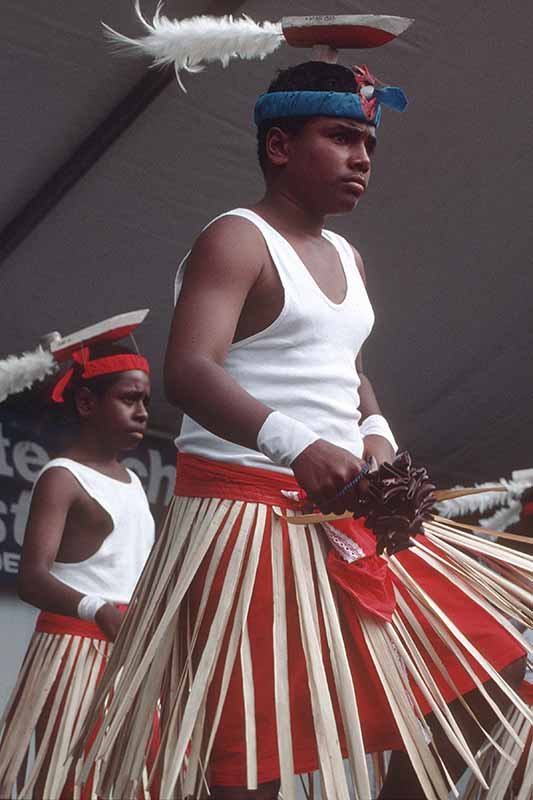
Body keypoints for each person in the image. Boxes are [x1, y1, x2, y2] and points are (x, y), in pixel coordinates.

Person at [72, 29, 531, 800]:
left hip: (347, 514)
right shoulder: (235, 237)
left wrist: (376, 437)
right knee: (254, 760)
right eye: (342, 137)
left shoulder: (346, 256)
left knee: (493, 674)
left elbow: (344, 371)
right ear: (279, 145)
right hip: (245, 521)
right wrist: (296, 445)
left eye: (369, 144)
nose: (362, 158)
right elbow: (188, 369)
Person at [0, 337, 156, 800]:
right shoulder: (62, 477)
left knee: (135, 782)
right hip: (74, 650)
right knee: (67, 782)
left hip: (127, 647)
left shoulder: (133, 482)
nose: (144, 411)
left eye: (146, 400)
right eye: (130, 399)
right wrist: (96, 608)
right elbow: (32, 579)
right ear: (87, 402)